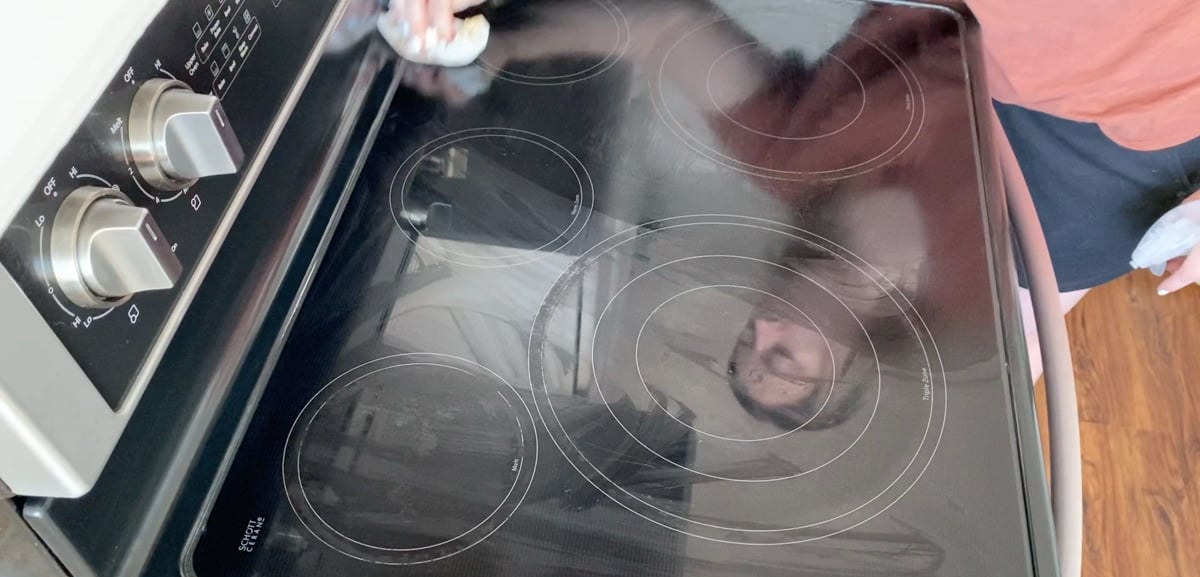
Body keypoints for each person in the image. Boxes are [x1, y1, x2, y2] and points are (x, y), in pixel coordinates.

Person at [382, 0, 1200, 420]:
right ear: (845, 366)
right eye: (784, 360)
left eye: (747, 343)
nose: (764, 330)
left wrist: (502, 40)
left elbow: (665, 29)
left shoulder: (790, 161)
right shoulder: (986, 306)